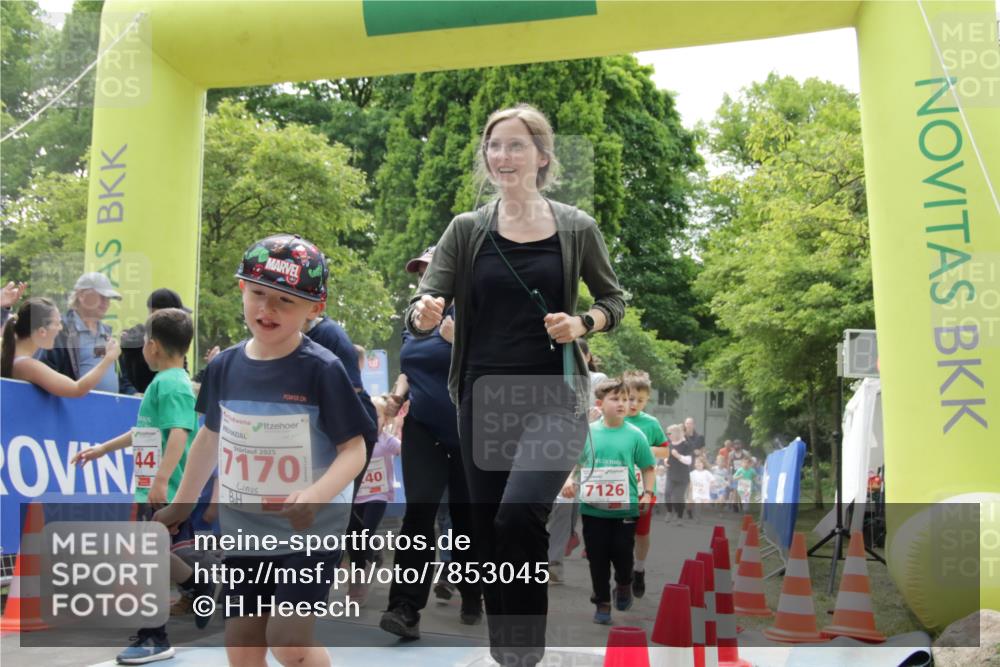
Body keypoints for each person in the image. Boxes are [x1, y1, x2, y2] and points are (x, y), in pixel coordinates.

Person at [407, 104, 625, 665]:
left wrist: (583, 323)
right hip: (482, 398)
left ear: (543, 157)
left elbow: (613, 299)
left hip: (555, 397)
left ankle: (524, 655)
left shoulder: (576, 226)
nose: (503, 155)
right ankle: (509, 655)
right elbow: (423, 300)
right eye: (494, 146)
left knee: (518, 514)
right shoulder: (466, 228)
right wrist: (425, 314)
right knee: (490, 535)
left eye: (516, 146)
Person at [154, 233, 375, 667]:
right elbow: (210, 438)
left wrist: (315, 495)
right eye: (258, 294)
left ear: (315, 308)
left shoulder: (322, 369)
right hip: (247, 527)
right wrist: (182, 506)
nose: (267, 309)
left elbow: (355, 450)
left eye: (285, 301)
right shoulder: (224, 366)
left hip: (309, 529)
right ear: (242, 289)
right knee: (242, 641)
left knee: (289, 640)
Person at [72, 308, 209, 663]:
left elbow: (179, 432)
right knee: (154, 556)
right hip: (153, 488)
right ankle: (197, 585)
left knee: (143, 560)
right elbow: (146, 432)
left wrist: (162, 481)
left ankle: (154, 636)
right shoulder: (165, 383)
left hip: (163, 490)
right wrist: (103, 449)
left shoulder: (172, 383)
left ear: (152, 346)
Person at [380, 245, 483, 639]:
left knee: (466, 520)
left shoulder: (478, 312)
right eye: (421, 272)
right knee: (419, 512)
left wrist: (462, 341)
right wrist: (397, 395)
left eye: (432, 270)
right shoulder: (416, 318)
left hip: (471, 432)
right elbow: (411, 366)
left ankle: (473, 594)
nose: (425, 278)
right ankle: (404, 608)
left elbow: (501, 368)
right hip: (424, 426)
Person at [560, 377, 655, 625]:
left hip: (625, 508)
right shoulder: (588, 433)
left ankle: (624, 583)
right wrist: (569, 480)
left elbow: (648, 467)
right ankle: (602, 601)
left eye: (625, 399)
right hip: (593, 509)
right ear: (600, 404)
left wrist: (647, 493)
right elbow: (574, 462)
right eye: (616, 399)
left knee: (623, 553)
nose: (622, 403)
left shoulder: (635, 436)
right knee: (597, 557)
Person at [1, 296, 122, 396]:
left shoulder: (15, 358)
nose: (60, 328)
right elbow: (77, 389)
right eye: (57, 323)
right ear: (42, 331)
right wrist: (108, 359)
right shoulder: (27, 365)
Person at [38, 271, 134, 394]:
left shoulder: (107, 334)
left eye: (108, 298)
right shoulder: (59, 331)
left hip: (107, 410)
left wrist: (132, 393)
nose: (106, 302)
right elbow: (45, 374)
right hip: (72, 409)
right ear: (82, 295)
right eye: (101, 296)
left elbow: (119, 378)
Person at [348, 395, 401, 607]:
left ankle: (361, 577)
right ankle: (373, 549)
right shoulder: (356, 443)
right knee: (356, 535)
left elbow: (403, 449)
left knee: (366, 532)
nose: (372, 421)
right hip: (358, 496)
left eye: (377, 416)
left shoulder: (386, 441)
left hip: (378, 495)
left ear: (385, 420)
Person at [622, 370, 669, 599]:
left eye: (640, 400)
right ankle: (622, 575)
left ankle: (638, 570)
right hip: (617, 487)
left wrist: (645, 450)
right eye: (630, 398)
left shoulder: (650, 423)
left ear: (647, 400)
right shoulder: (613, 416)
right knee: (619, 534)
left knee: (641, 533)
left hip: (644, 488)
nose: (634, 404)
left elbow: (665, 449)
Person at [120, 288, 193, 394]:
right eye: (176, 316)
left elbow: (181, 373)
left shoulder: (172, 340)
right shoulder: (132, 340)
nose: (179, 322)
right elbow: (125, 378)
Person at [665, 423, 695, 524]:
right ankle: (669, 512)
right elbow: (665, 456)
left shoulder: (686, 445)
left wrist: (678, 456)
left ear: (676, 433)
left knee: (678, 497)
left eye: (669, 433)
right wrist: (665, 461)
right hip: (671, 474)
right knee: (667, 493)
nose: (668, 435)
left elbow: (689, 461)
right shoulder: (669, 445)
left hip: (682, 477)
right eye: (667, 433)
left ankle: (679, 517)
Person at [689, 456, 714, 521]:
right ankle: (698, 516)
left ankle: (703, 511)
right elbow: (691, 483)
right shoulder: (692, 473)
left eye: (700, 462)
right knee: (698, 503)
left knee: (706, 506)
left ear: (703, 464)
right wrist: (691, 492)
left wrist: (710, 486)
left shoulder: (706, 473)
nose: (698, 464)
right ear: (694, 464)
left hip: (705, 493)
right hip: (696, 492)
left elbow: (712, 480)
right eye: (696, 462)